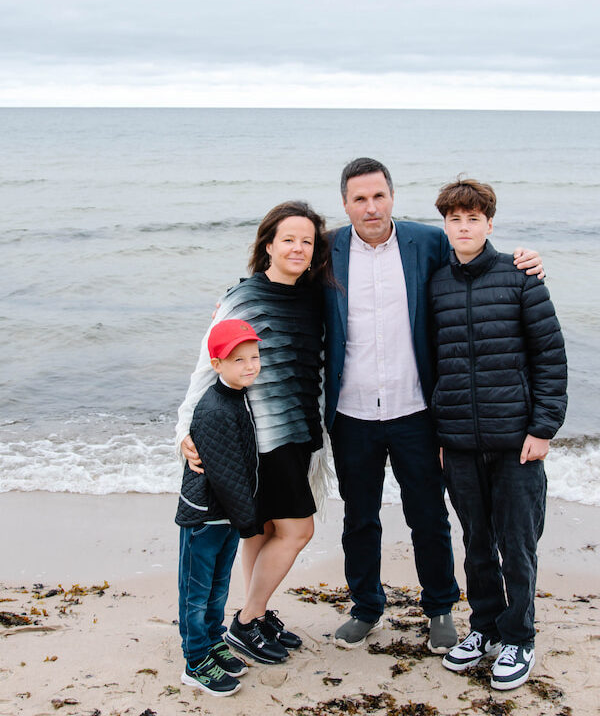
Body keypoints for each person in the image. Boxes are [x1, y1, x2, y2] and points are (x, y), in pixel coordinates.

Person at [323, 158, 545, 652]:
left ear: (393, 197)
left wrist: (523, 261)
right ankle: (365, 606)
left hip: (416, 409)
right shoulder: (328, 248)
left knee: (428, 514)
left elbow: (477, 258)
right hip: (352, 412)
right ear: (345, 205)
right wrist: (236, 303)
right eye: (359, 198)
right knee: (359, 517)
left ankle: (440, 606)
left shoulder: (427, 242)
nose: (371, 206)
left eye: (378, 195)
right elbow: (281, 276)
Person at [176, 201, 330, 667]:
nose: (298, 248)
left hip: (299, 428)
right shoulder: (243, 298)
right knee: (298, 529)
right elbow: (208, 366)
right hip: (259, 437)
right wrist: (184, 428)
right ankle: (247, 620)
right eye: (289, 239)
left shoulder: (315, 296)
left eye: (307, 241)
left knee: (262, 530)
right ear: (268, 244)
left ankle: (252, 616)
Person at [429, 178, 567, 690]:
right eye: (454, 219)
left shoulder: (522, 277)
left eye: (473, 219)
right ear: (445, 225)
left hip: (517, 442)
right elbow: (432, 362)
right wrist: (441, 432)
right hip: (460, 442)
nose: (463, 228)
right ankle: (484, 627)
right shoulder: (436, 283)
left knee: (518, 542)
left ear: (490, 223)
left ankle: (519, 638)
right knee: (476, 542)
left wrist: (544, 428)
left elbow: (551, 358)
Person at [175, 318, 263, 697]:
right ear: (216, 365)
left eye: (254, 357)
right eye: (238, 359)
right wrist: (248, 520)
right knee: (196, 592)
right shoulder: (214, 409)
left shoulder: (237, 395)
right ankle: (194, 661)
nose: (249, 366)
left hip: (225, 514)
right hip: (205, 518)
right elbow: (225, 474)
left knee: (218, 587)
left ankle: (213, 643)